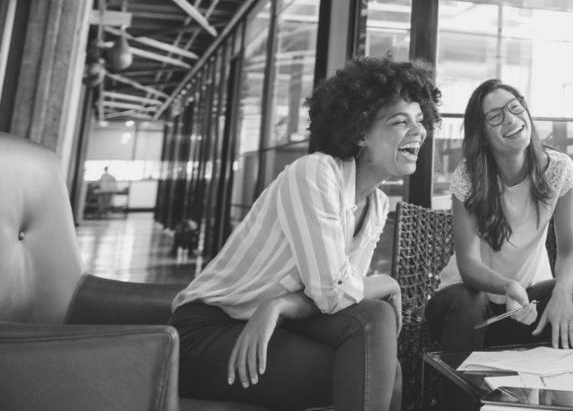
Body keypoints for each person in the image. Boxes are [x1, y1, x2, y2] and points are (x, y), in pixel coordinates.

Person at [168, 57, 441, 410]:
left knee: (376, 323)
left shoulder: (377, 203)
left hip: (274, 322)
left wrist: (279, 304)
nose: (418, 131)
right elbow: (333, 293)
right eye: (400, 121)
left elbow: (341, 297)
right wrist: (388, 283)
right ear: (360, 131)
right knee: (371, 367)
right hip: (206, 332)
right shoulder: (315, 173)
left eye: (420, 121)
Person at [425, 79, 573, 409]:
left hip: (523, 309)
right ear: (482, 133)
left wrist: (561, 293)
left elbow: (569, 248)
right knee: (470, 301)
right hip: (463, 306)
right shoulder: (469, 176)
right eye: (495, 116)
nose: (510, 119)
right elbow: (467, 264)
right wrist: (507, 286)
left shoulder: (558, 169)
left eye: (515, 107)